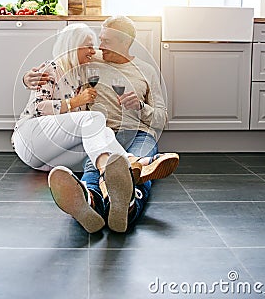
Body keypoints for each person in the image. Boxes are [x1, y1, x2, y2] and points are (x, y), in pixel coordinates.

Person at [12, 22, 177, 232]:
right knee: (102, 162)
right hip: (98, 132)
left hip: (137, 133)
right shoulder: (90, 61)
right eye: (98, 40)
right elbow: (61, 62)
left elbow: (161, 118)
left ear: (124, 43)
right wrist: (28, 78)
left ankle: (112, 205)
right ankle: (135, 169)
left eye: (106, 41)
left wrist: (140, 106)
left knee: (111, 163)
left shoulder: (146, 71)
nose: (99, 46)